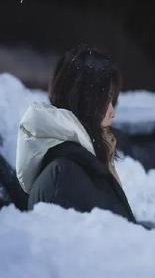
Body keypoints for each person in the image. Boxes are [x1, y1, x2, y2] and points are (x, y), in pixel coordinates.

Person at [16, 45, 136, 223]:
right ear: (86, 100)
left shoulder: (79, 165)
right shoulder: (64, 176)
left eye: (113, 101)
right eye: (107, 99)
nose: (113, 113)